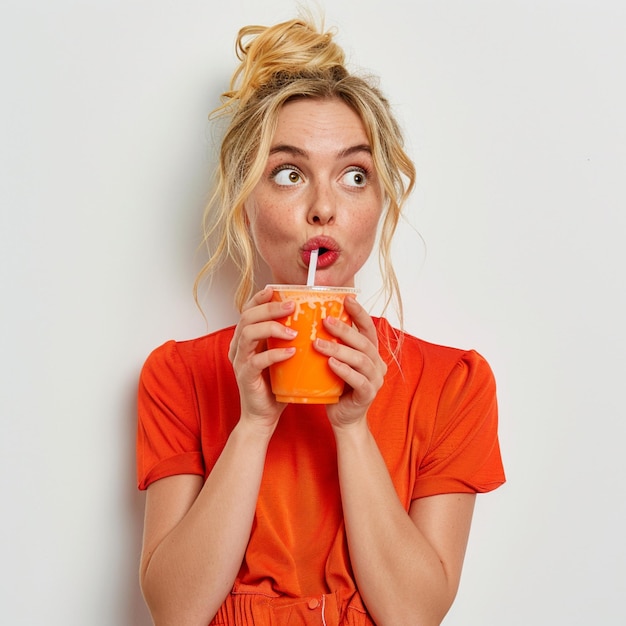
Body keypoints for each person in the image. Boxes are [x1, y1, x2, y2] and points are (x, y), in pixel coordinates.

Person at [136, 15, 505, 626]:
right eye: (289, 173)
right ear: (244, 199)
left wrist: (354, 428)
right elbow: (175, 611)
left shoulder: (453, 386)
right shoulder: (179, 377)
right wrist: (253, 423)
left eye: (354, 175)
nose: (324, 208)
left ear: (381, 199)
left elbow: (414, 614)